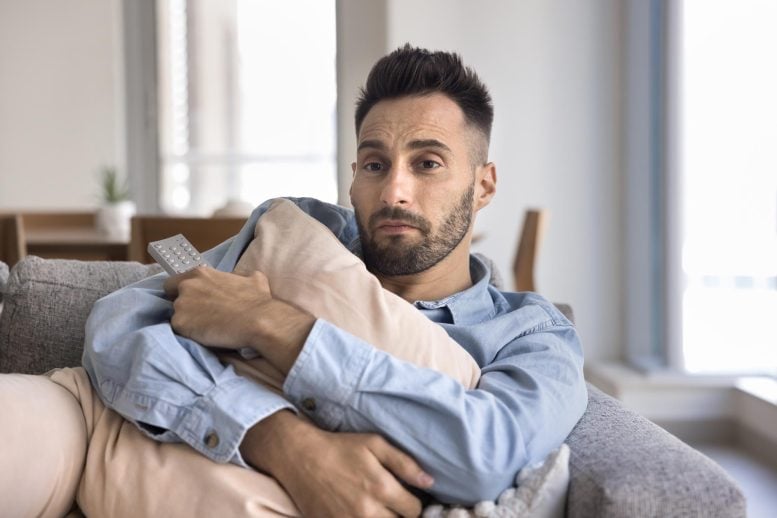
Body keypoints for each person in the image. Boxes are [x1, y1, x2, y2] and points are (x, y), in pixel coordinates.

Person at [1, 44, 586, 518]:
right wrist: (277, 437)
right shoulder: (303, 230)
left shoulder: (528, 333)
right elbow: (120, 322)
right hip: (95, 427)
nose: (394, 191)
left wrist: (269, 322)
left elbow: (487, 454)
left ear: (483, 185)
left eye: (427, 163)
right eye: (375, 164)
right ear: (353, 177)